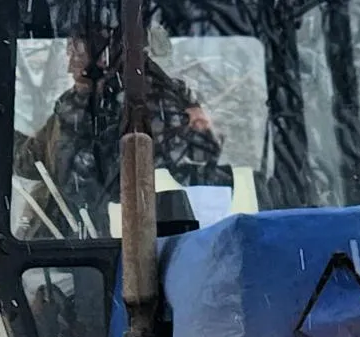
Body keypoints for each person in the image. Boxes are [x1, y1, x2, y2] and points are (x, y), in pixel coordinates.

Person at [12, 28, 227, 237]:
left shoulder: (153, 109)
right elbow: (30, 160)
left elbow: (103, 185)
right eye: (70, 55)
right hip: (63, 241)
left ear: (105, 56)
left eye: (77, 55)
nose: (70, 68)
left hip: (124, 244)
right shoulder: (70, 109)